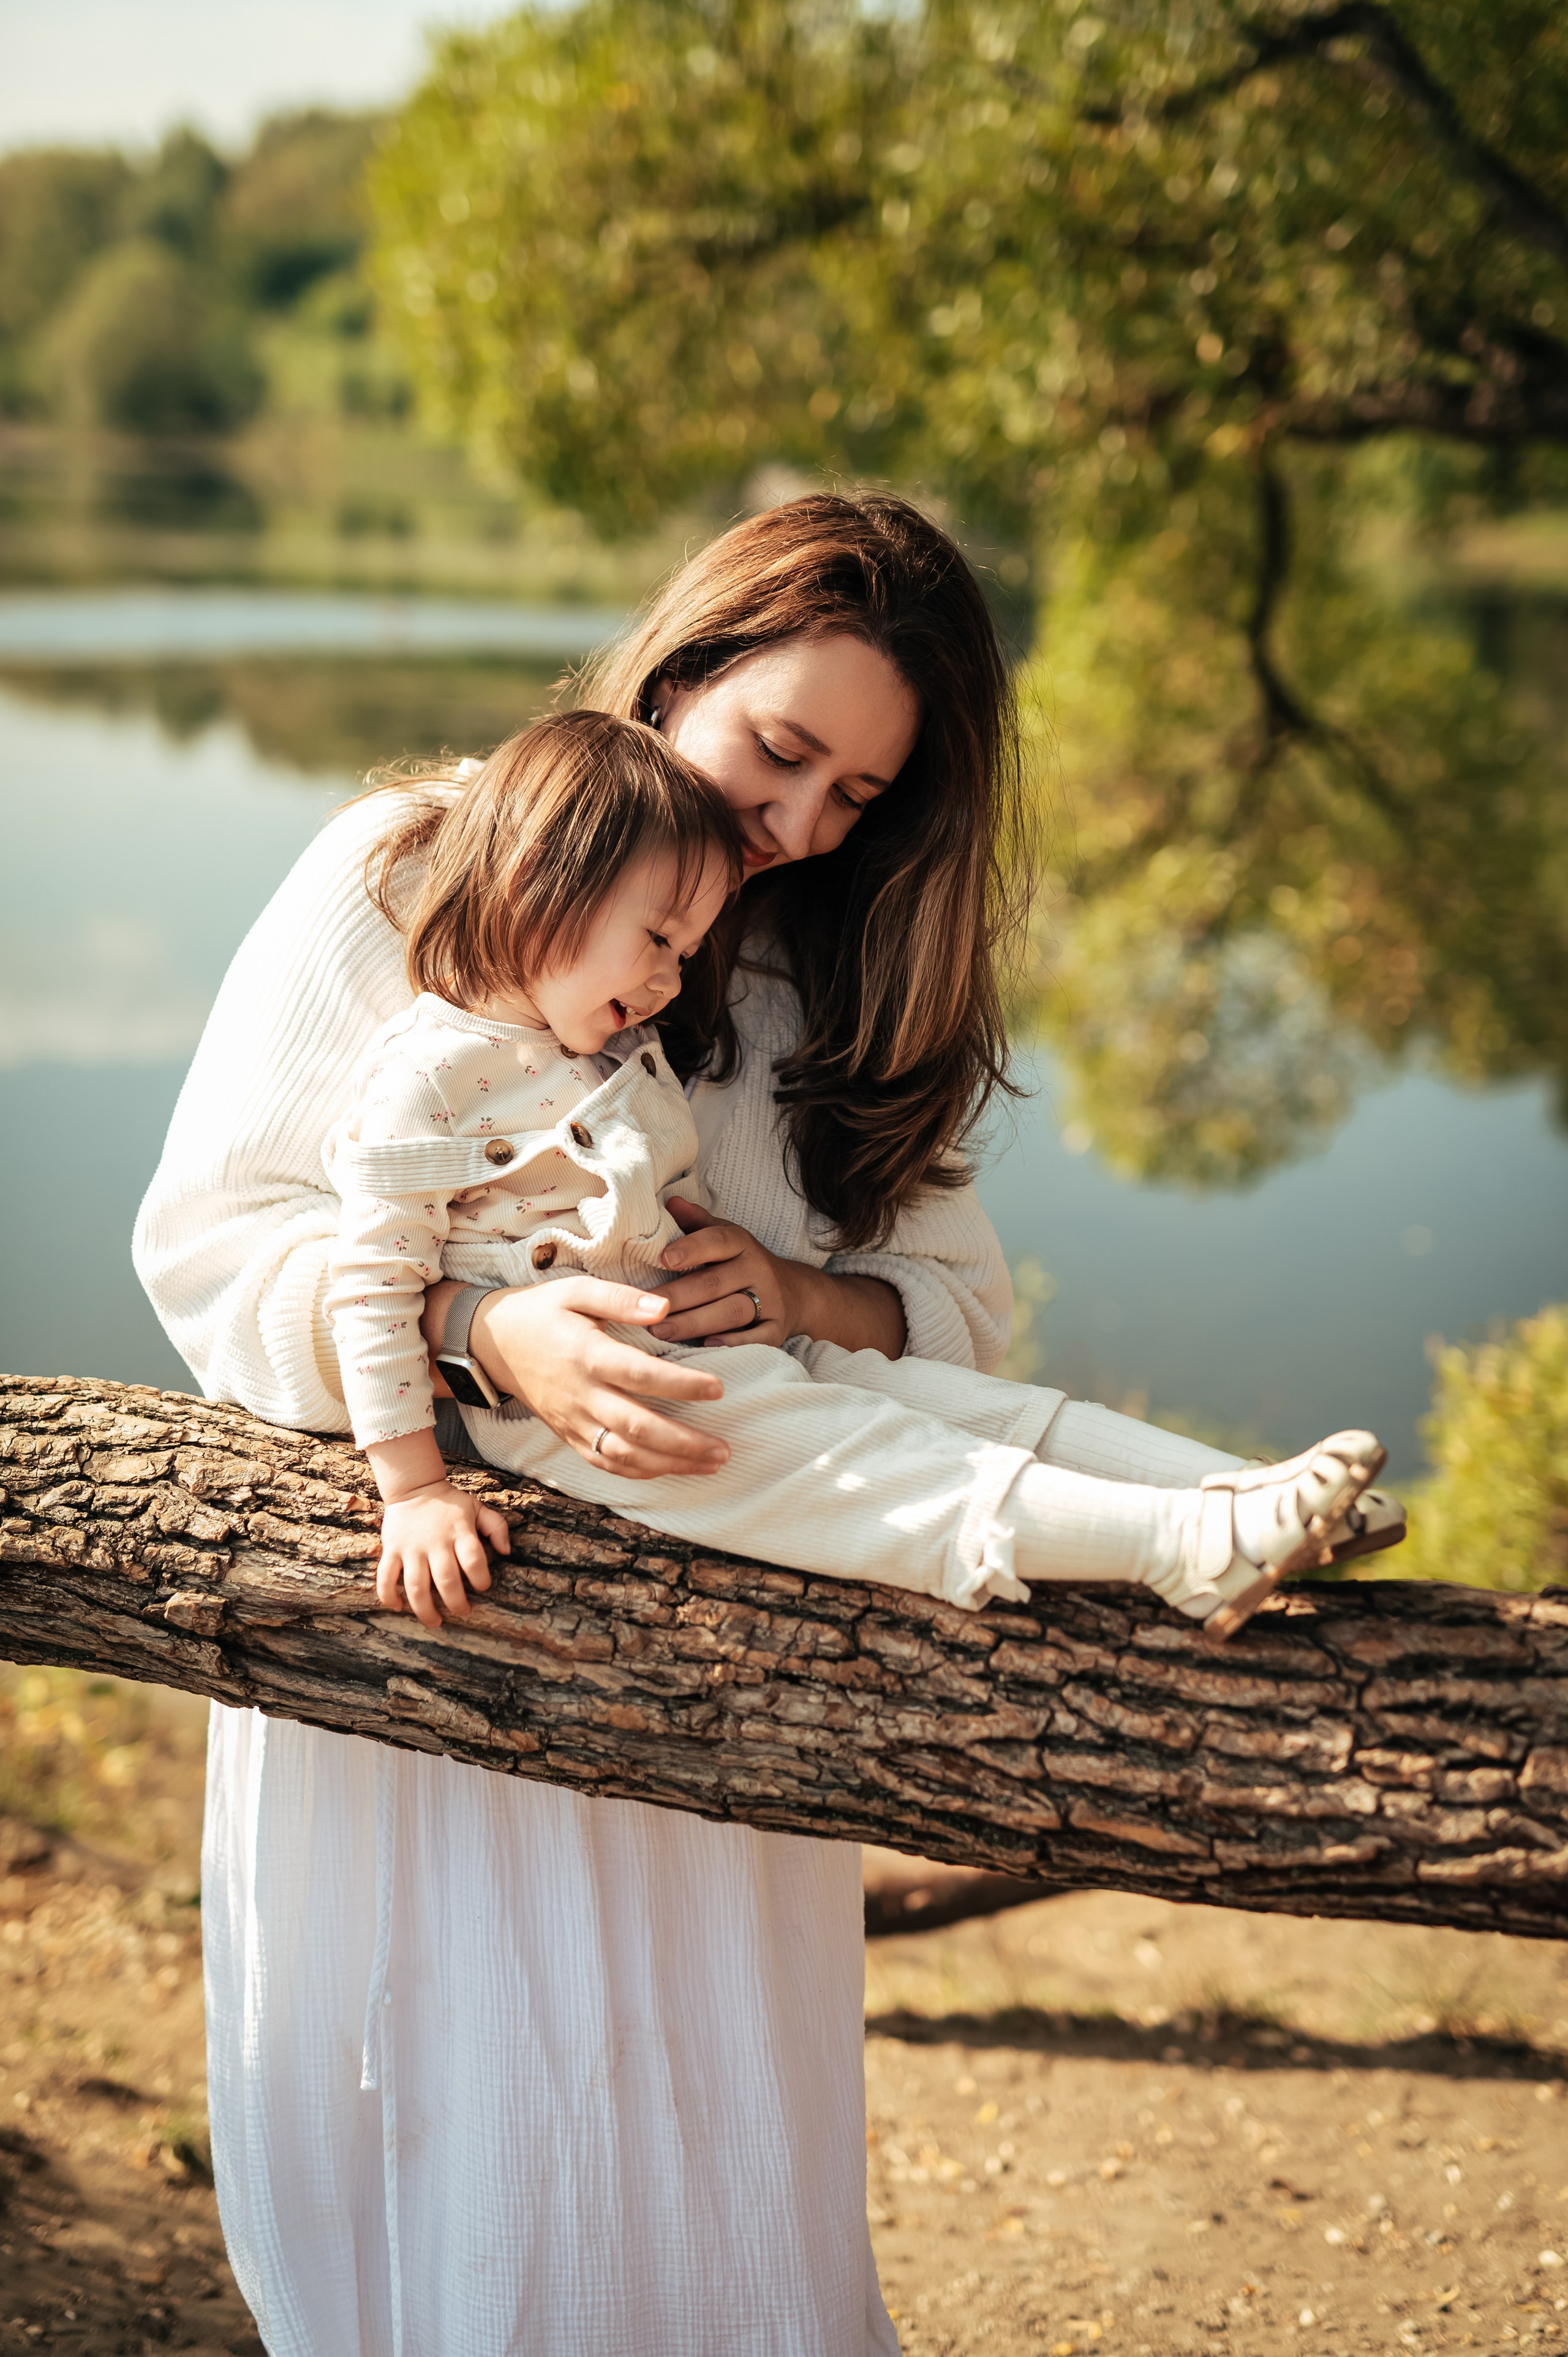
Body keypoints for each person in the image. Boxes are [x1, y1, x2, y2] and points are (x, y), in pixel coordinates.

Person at [135, 493, 1399, 2357]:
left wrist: (804, 1300)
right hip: (455, 1642)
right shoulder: (405, 871)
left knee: (702, 2180)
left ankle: (1226, 1510)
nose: (802, 827)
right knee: (469, 2182)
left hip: (740, 1656)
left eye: (862, 797)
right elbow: (210, 1240)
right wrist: (492, 1336)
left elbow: (963, 1312)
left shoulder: (843, 968)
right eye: (780, 753)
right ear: (682, 664)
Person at [328, 707, 1396, 1646]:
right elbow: (371, 1287)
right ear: (534, 885)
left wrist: (782, 1292)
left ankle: (1244, 1490)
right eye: (657, 938)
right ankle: (1185, 1544)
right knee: (871, 1464)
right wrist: (415, 1486)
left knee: (956, 1403)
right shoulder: (423, 1080)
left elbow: (949, 1305)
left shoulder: (591, 1040)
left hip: (715, 1351)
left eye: (688, 952)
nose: (668, 979)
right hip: (620, 1413)